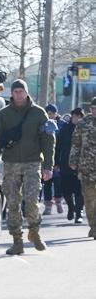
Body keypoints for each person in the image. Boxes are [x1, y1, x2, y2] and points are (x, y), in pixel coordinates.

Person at [0, 79, 54, 255]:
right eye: (15, 91)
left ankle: (34, 232)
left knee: (32, 199)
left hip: (33, 163)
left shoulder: (38, 113)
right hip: (10, 164)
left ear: (27, 93)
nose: (18, 95)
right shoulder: (4, 114)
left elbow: (48, 140)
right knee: (12, 203)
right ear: (12, 93)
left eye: (21, 91)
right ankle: (17, 241)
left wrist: (48, 166)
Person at [69, 98, 96, 238]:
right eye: (94, 108)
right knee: (89, 199)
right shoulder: (82, 124)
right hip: (86, 167)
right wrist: (73, 161)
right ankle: (93, 226)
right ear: (90, 109)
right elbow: (75, 144)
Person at [58, 107, 84, 224]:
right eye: (75, 116)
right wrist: (55, 162)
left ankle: (78, 213)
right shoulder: (65, 129)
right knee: (66, 191)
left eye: (79, 117)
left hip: (82, 164)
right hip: (66, 164)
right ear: (71, 117)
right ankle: (71, 208)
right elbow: (57, 146)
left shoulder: (86, 129)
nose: (76, 119)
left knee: (80, 191)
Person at [43, 103, 63, 215]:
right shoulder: (42, 124)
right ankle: (48, 206)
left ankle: (58, 202)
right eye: (48, 113)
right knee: (47, 183)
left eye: (52, 113)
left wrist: (59, 162)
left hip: (57, 159)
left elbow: (62, 145)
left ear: (56, 114)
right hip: (45, 159)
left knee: (58, 181)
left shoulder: (62, 125)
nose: (50, 115)